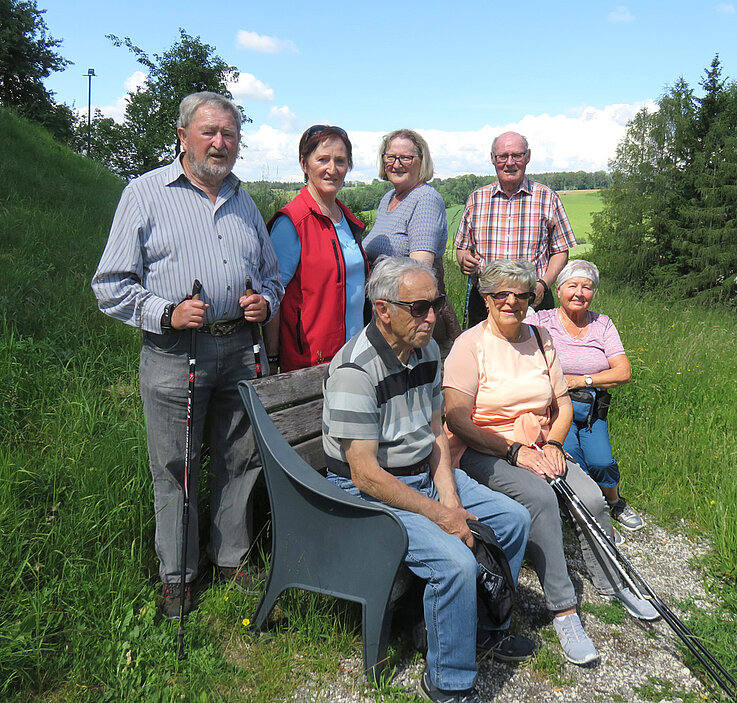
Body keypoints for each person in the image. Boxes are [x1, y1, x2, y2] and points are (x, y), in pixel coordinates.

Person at [91, 91, 284, 619]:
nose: (220, 143)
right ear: (183, 136)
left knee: (240, 457)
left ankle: (231, 557)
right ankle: (177, 575)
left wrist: (265, 302)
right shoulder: (145, 193)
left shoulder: (244, 200)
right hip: (177, 353)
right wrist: (165, 312)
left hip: (240, 348)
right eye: (209, 132)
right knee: (176, 464)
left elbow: (272, 276)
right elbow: (110, 284)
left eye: (229, 134)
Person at [323, 257, 533, 703]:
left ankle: (484, 628)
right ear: (383, 310)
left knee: (514, 519)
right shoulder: (355, 372)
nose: (433, 316)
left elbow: (436, 431)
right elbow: (365, 475)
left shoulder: (427, 351)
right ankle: (448, 681)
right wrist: (441, 515)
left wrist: (450, 498)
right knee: (454, 561)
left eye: (435, 304)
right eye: (419, 308)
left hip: (422, 473)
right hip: (369, 493)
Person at [443, 259, 658, 667]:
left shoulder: (542, 339)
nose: (511, 302)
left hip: (540, 441)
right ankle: (564, 610)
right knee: (541, 499)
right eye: (501, 294)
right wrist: (513, 451)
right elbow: (456, 418)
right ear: (486, 298)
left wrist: (556, 443)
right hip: (483, 448)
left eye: (521, 295)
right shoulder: (469, 345)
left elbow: (562, 404)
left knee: (592, 497)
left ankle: (613, 580)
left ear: (531, 299)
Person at [526, 259, 644, 531]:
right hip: (554, 409)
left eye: (587, 287)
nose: (579, 293)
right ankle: (588, 511)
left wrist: (581, 380)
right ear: (559, 289)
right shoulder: (541, 321)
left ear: (594, 293)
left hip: (592, 410)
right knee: (571, 459)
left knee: (602, 461)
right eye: (572, 286)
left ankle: (614, 502)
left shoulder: (603, 324)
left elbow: (623, 372)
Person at [264, 125, 369, 373]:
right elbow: (272, 294)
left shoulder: (347, 219)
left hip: (357, 355)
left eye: (340, 161)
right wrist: (272, 356)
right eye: (322, 159)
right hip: (312, 362)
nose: (332, 169)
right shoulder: (292, 223)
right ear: (304, 164)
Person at [455, 131, 577, 327]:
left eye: (517, 155)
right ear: (493, 158)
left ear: (528, 157)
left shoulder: (547, 198)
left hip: (533, 299)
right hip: (486, 301)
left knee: (536, 348)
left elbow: (561, 251)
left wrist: (543, 284)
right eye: (503, 156)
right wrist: (464, 260)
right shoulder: (476, 199)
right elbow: (463, 249)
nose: (509, 163)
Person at [362, 129, 461, 354]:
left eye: (406, 158)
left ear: (421, 161)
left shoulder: (425, 198)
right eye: (391, 157)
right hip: (390, 319)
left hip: (414, 323)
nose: (397, 164)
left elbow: (421, 269)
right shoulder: (388, 198)